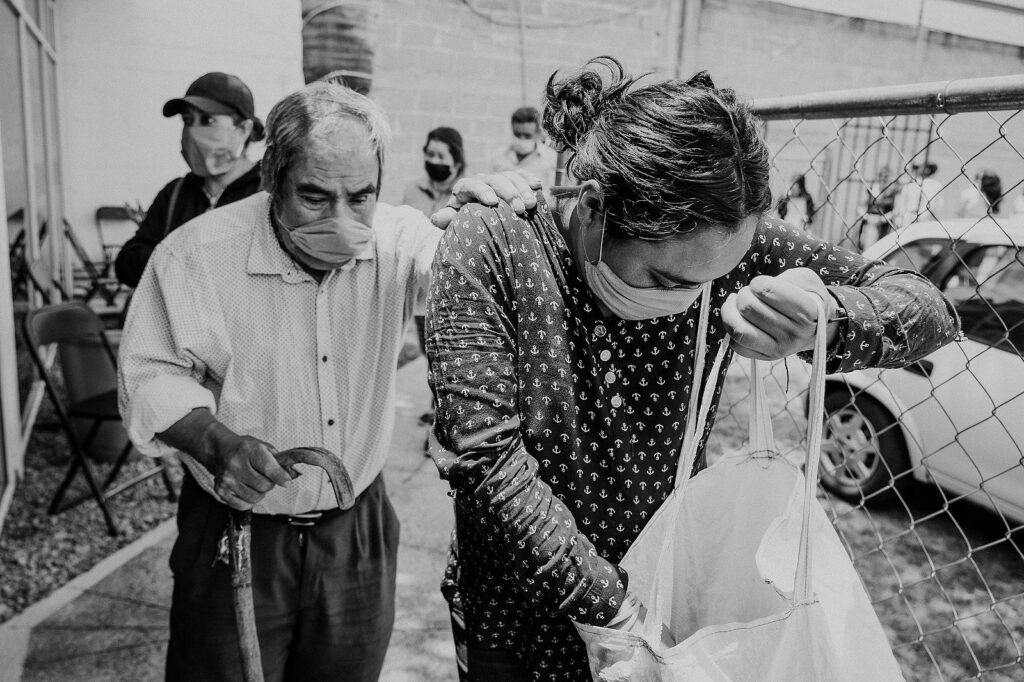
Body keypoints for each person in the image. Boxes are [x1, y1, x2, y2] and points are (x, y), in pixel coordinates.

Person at [425, 57, 961, 680]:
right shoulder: (492, 243)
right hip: (516, 620)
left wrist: (832, 320)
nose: (690, 299)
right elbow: (485, 462)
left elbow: (932, 308)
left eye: (708, 283)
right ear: (596, 210)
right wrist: (621, 616)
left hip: (667, 609)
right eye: (667, 280)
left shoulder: (724, 243)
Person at [118, 81, 443, 681]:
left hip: (355, 531)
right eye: (314, 197)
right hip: (234, 533)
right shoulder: (196, 255)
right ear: (271, 179)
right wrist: (219, 446)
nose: (341, 221)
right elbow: (151, 375)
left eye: (361, 196)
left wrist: (489, 227)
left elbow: (453, 270)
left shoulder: (402, 240)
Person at [114, 72, 265, 288]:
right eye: (187, 120)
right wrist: (183, 259)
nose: (193, 131)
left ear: (243, 129)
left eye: (208, 120)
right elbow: (127, 263)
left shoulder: (267, 192)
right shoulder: (175, 194)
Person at [403, 126, 467, 217]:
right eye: (430, 154)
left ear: (456, 164)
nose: (434, 161)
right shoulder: (413, 189)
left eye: (441, 156)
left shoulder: (465, 196)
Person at [491, 105, 558, 187]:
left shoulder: (551, 158)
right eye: (517, 134)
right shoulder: (499, 155)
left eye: (527, 135)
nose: (522, 138)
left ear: (537, 132)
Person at [893, 161, 944, 229]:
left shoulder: (934, 185)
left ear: (927, 170)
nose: (915, 170)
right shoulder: (910, 184)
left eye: (918, 168)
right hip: (917, 222)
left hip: (911, 222)